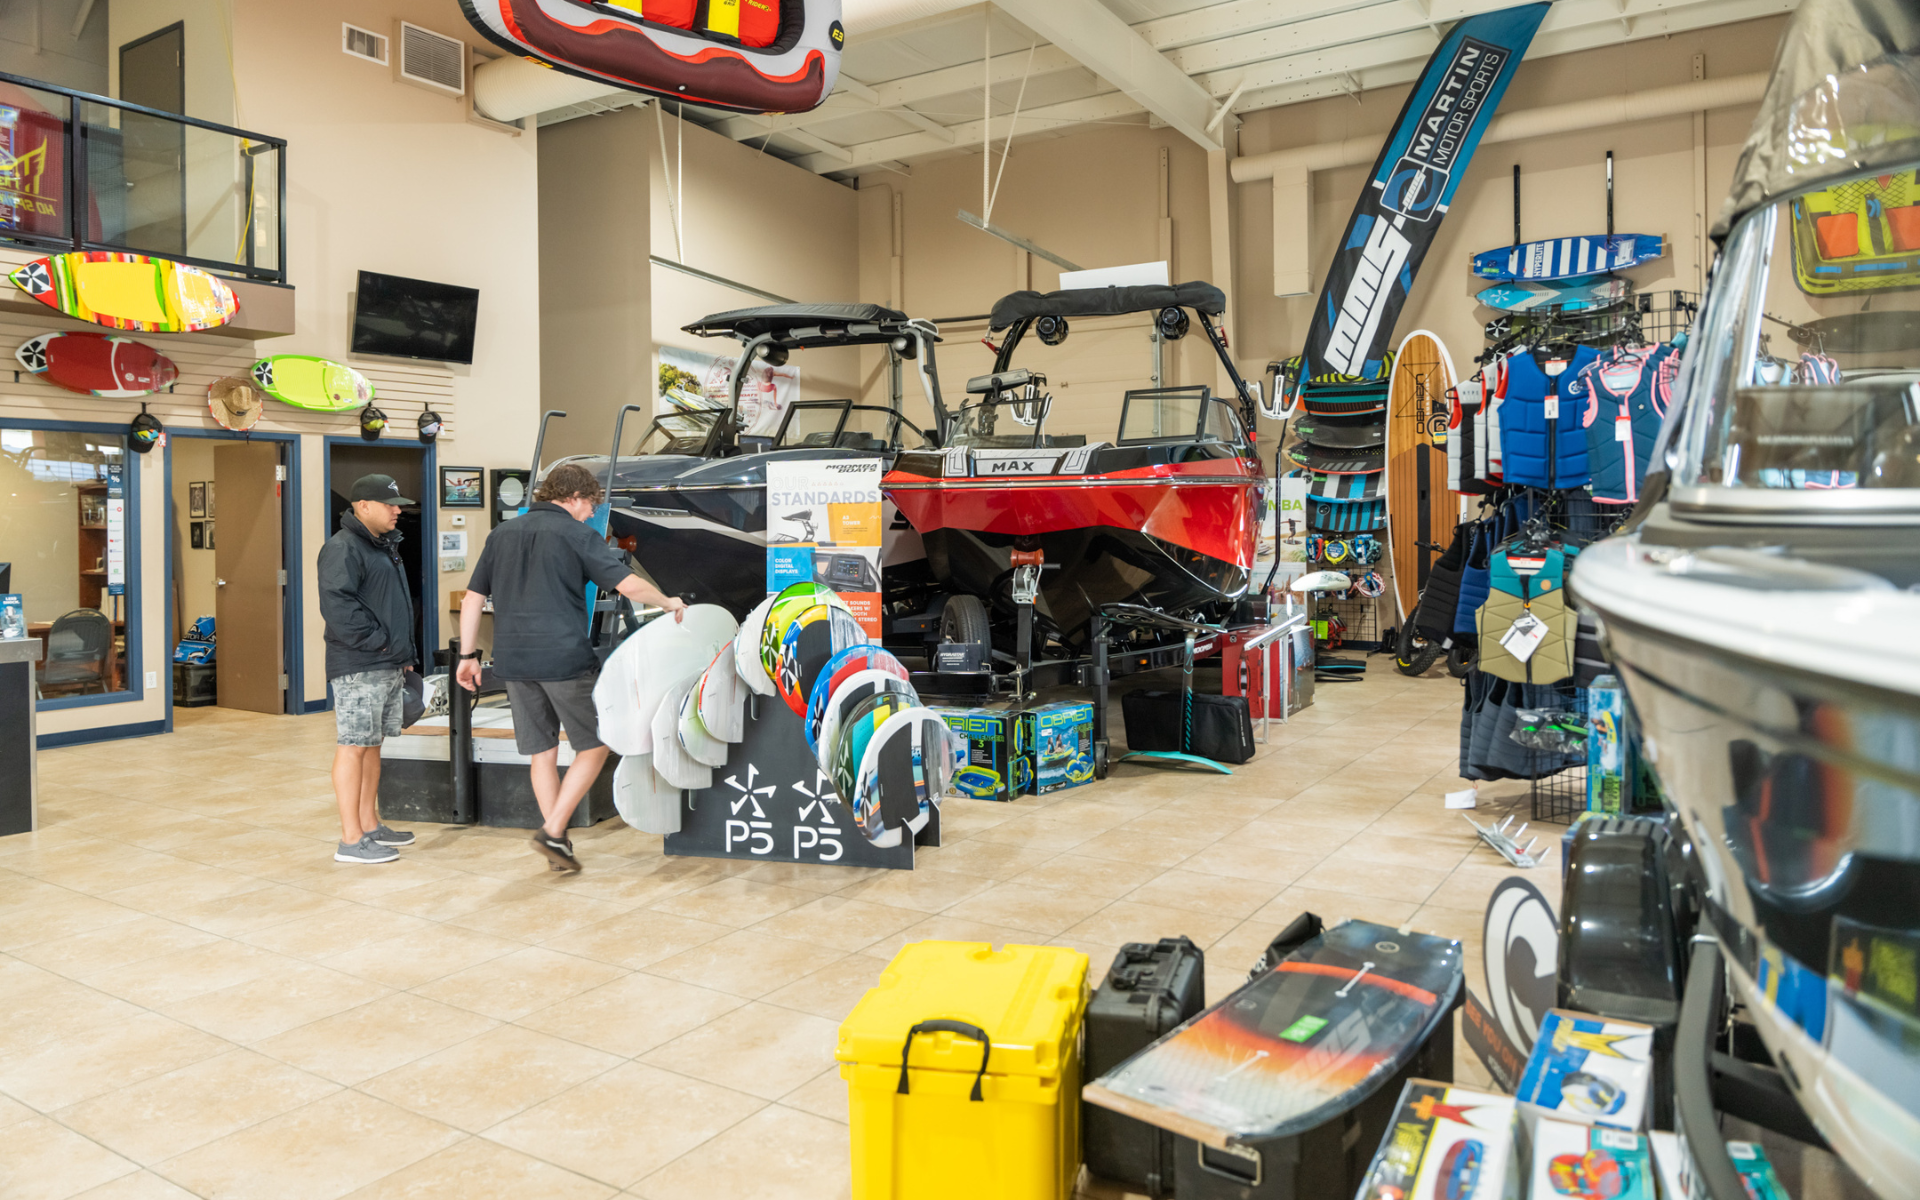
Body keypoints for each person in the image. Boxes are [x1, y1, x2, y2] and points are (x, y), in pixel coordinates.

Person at [455, 462, 685, 871]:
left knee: (541, 752)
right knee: (594, 745)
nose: (589, 514)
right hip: (562, 658)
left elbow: (472, 600)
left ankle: (556, 840)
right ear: (575, 498)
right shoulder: (578, 534)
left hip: (513, 660)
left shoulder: (502, 533)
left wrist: (468, 657)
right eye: (589, 506)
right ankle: (554, 829)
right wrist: (669, 603)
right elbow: (626, 584)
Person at [318, 473, 420, 865]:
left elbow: (390, 605)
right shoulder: (342, 548)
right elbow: (339, 608)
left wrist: (400, 651)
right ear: (363, 506)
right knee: (354, 744)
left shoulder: (383, 546)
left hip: (387, 661)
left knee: (373, 744)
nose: (398, 510)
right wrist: (380, 642)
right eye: (390, 504)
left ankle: (369, 825)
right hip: (360, 664)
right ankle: (350, 840)